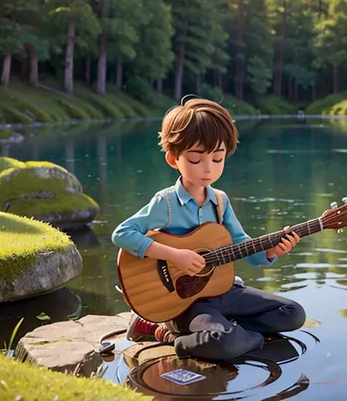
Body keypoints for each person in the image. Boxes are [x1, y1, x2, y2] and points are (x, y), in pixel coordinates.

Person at [112, 97, 306, 360]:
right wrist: (175, 255)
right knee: (221, 344)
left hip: (224, 291)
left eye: (218, 158)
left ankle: (232, 334)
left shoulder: (220, 201)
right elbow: (122, 234)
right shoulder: (166, 203)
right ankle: (164, 333)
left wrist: (271, 251)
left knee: (292, 314)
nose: (208, 169)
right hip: (183, 303)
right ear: (173, 159)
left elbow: (241, 244)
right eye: (195, 159)